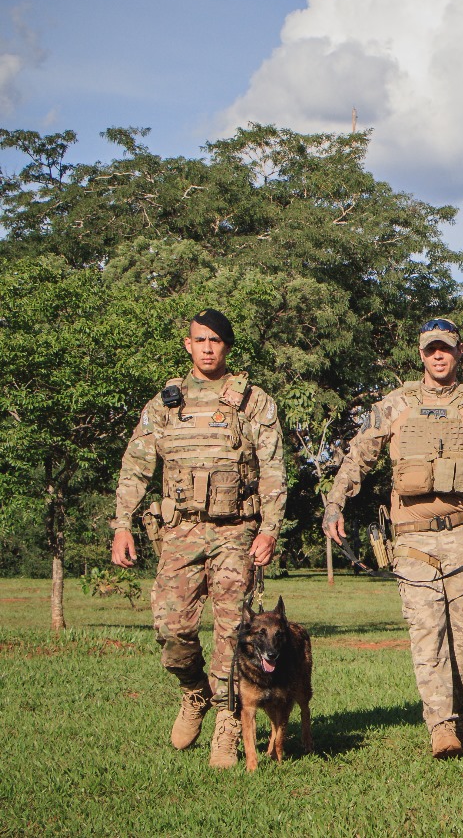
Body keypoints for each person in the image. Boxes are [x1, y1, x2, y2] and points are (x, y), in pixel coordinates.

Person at [322, 317, 463, 758]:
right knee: (427, 632)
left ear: (459, 353)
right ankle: (440, 727)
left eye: (446, 348)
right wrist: (334, 502)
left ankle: (460, 718)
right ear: (420, 354)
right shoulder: (396, 405)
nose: (438, 356)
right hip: (413, 539)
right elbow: (359, 454)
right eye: (430, 349)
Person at [111, 309, 286, 768]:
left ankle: (228, 725)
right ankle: (194, 692)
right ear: (188, 345)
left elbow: (273, 471)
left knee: (233, 630)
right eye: (199, 340)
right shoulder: (165, 404)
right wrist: (121, 524)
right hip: (180, 531)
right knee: (172, 628)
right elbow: (135, 466)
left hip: (235, 531)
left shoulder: (253, 402)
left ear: (227, 347)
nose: (208, 348)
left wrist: (269, 528)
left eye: (216, 341)